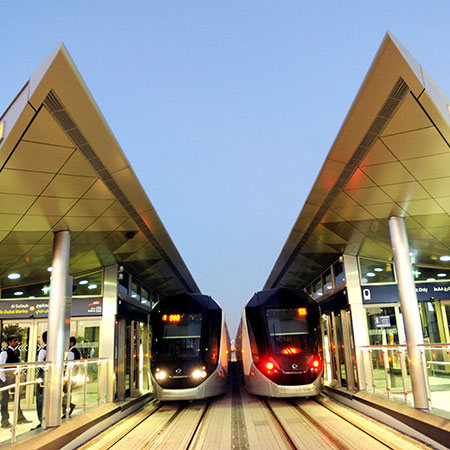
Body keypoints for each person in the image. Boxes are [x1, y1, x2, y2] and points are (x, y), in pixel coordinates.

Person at [0, 336, 31, 428]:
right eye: (15, 341)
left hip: (15, 379)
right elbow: (1, 366)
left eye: (17, 340)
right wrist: (3, 380)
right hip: (6, 379)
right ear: (9, 342)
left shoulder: (18, 352)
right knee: (5, 400)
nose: (17, 342)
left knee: (17, 398)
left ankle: (20, 418)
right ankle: (5, 421)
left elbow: (19, 364)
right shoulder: (4, 353)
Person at [62, 336, 80, 419]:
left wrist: (66, 378)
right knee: (67, 393)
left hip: (70, 377)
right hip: (74, 376)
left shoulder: (71, 352)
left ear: (71, 343)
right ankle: (67, 409)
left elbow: (70, 366)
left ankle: (68, 409)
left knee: (66, 393)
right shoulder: (77, 352)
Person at [32, 331, 47, 430]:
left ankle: (43, 419)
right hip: (44, 376)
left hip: (46, 376)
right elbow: (40, 363)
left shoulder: (45, 350)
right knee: (41, 398)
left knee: (42, 399)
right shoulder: (44, 350)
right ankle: (42, 420)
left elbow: (40, 363)